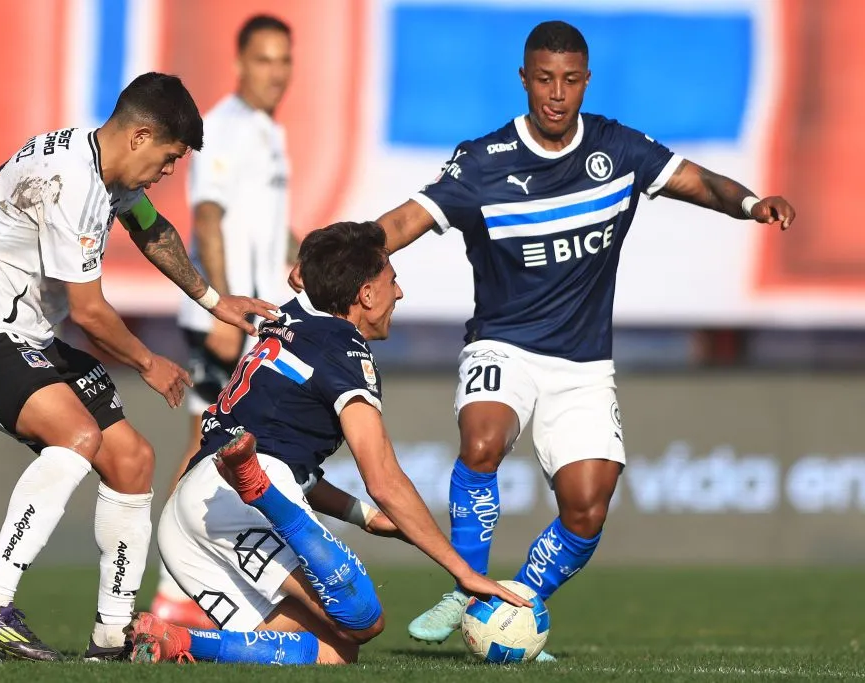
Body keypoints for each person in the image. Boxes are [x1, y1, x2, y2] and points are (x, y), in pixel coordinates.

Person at [292, 20, 796, 656]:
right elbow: (401, 222)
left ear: (585, 82)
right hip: (503, 346)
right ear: (524, 80)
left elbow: (702, 183)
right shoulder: (482, 162)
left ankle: (518, 604)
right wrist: (324, 268)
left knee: (588, 507)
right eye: (544, 79)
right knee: (482, 440)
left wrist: (752, 205)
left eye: (570, 80)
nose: (557, 93)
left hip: (584, 366)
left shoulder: (619, 150)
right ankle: (468, 590)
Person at [0, 72, 277, 661]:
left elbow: (151, 229)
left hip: (25, 335)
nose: (167, 173)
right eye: (168, 159)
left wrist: (215, 301)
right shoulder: (75, 184)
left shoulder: (103, 171)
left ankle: (112, 635)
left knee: (133, 460)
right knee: (78, 436)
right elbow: (88, 311)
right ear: (140, 136)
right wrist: (148, 361)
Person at [130, 221, 527, 666]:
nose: (400, 294)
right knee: (363, 620)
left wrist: (365, 518)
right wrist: (465, 573)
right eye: (391, 281)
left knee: (334, 653)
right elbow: (384, 480)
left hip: (188, 510)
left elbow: (289, 460)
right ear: (365, 295)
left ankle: (177, 642)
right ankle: (265, 496)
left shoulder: (290, 318)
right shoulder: (345, 350)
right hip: (247, 496)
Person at [152, 14, 298, 626]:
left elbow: (271, 228)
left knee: (234, 448)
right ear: (240, 64)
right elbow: (207, 217)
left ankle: (198, 586)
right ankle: (170, 590)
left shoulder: (268, 132)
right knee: (206, 446)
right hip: (226, 318)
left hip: (257, 317)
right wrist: (221, 305)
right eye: (265, 60)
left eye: (284, 61)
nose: (276, 73)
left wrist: (309, 260)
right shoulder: (229, 128)